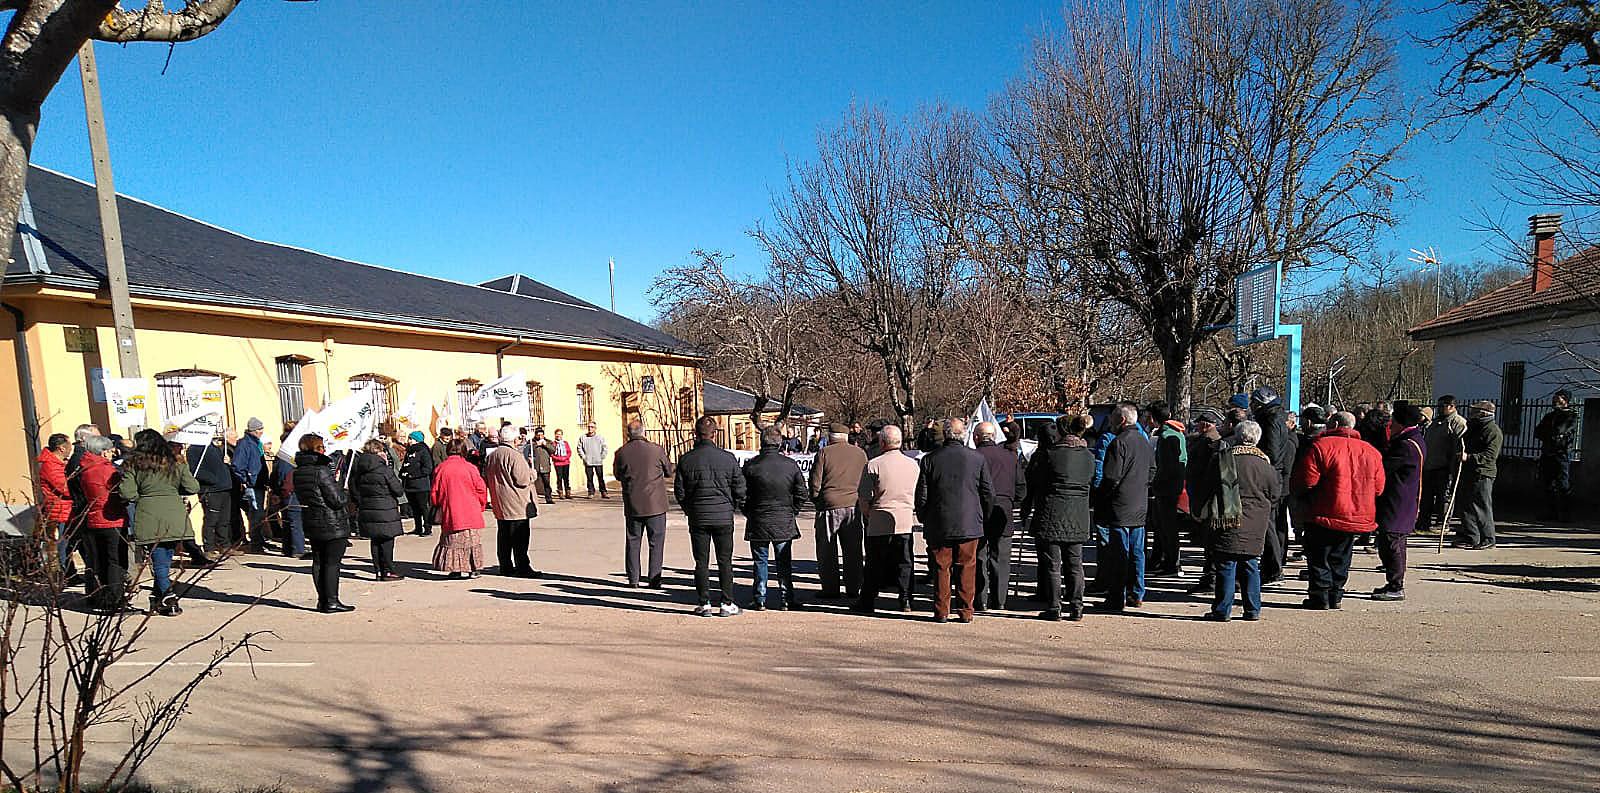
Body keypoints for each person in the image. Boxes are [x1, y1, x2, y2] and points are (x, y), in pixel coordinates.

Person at [1292, 411, 1385, 610]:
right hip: (1354, 512)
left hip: (1323, 510)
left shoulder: (1321, 446)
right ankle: (1335, 594)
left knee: (1319, 555)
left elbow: (1306, 481)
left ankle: (1320, 595)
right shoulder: (1370, 451)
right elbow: (1378, 488)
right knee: (1342, 555)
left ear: (1333, 423)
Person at [1195, 421, 1279, 622]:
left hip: (1227, 516)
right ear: (1257, 439)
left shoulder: (1223, 459)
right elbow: (1275, 494)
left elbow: (1207, 487)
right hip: (1256, 520)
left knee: (1225, 563)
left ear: (1237, 436)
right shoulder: (1265, 464)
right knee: (1250, 563)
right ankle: (1252, 609)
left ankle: (1222, 609)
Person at [915, 418, 993, 623]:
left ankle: (942, 611)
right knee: (967, 566)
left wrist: (924, 517)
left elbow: (922, 495)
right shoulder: (976, 459)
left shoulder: (930, 459)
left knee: (941, 567)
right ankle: (966, 611)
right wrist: (984, 517)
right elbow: (988, 493)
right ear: (964, 434)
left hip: (939, 521)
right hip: (969, 522)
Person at [117, 429, 200, 617]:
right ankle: (157, 598)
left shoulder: (133, 464)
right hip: (174, 513)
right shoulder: (176, 462)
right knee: (164, 558)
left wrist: (144, 496)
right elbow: (192, 487)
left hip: (148, 513)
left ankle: (169, 598)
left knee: (160, 561)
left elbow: (127, 493)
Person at [1022, 420, 1095, 621]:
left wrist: (1027, 509)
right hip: (1078, 514)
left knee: (1053, 564)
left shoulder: (1049, 456)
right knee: (1075, 564)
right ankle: (1077, 605)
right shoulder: (1089, 457)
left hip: (1052, 512)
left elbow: (1036, 483)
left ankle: (1054, 607)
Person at [675, 415, 747, 616]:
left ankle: (704, 602)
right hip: (723, 515)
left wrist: (690, 509)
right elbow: (740, 487)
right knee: (725, 561)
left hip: (698, 516)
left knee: (701, 561)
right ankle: (726, 602)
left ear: (696, 435)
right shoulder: (728, 458)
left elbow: (680, 492)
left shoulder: (686, 459)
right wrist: (732, 505)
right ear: (714, 434)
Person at [854, 424, 920, 615]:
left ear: (882, 442)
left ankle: (868, 600)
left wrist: (868, 514)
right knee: (905, 562)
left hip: (879, 517)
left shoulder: (873, 464)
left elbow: (864, 496)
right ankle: (906, 599)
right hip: (905, 518)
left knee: (874, 562)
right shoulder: (913, 465)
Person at [743, 426, 807, 611]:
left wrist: (749, 511)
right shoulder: (790, 465)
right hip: (782, 519)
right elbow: (802, 493)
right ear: (779, 443)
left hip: (759, 519)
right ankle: (787, 598)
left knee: (760, 561)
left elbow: (741, 493)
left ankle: (760, 598)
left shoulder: (751, 466)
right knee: (783, 561)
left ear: (762, 442)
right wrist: (792, 511)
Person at [809, 422, 868, 601]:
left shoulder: (824, 453)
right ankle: (854, 587)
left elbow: (815, 483)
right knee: (853, 550)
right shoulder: (860, 453)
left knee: (827, 550)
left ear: (830, 437)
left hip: (829, 505)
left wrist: (817, 501)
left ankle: (830, 588)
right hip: (853, 505)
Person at [1373, 402, 1425, 602]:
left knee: (1392, 542)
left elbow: (1384, 467)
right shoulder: (1412, 439)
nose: (1390, 425)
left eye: (1393, 421)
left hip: (1398, 499)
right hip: (1402, 497)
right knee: (1393, 541)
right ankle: (1393, 582)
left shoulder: (1406, 445)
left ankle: (1396, 585)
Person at [973, 421, 1024, 612]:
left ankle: (981, 599)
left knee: (980, 556)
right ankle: (1000, 599)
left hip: (979, 510)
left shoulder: (975, 456)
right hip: (1004, 510)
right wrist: (1013, 502)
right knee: (1001, 558)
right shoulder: (1010, 457)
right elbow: (1021, 487)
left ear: (976, 438)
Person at [613, 420, 670, 587]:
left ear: (628, 433)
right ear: (643, 432)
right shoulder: (656, 450)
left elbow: (617, 475)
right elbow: (668, 471)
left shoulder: (621, 452)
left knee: (633, 541)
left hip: (633, 503)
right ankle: (654, 579)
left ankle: (633, 579)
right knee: (656, 542)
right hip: (656, 504)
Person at [77, 435, 129, 611]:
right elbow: (120, 493)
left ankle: (96, 596)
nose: (112, 453)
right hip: (112, 518)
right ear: (103, 451)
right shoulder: (107, 470)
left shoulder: (85, 468)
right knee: (115, 562)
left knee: (97, 561)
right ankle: (114, 600)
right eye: (110, 450)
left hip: (93, 519)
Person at [1250, 387, 1296, 586]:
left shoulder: (1271, 420)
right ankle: (1273, 566)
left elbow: (1273, 453)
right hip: (1275, 475)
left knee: (1268, 523)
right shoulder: (1275, 418)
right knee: (1273, 523)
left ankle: (1273, 568)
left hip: (1271, 476)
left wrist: (1261, 464)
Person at [349, 439, 407, 582]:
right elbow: (398, 490)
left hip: (367, 508)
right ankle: (388, 570)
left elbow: (353, 488)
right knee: (387, 540)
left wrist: (361, 501)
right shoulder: (384, 469)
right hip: (385, 508)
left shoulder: (359, 469)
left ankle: (379, 571)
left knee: (375, 541)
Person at [431, 438, 489, 578]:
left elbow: (435, 492)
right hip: (471, 510)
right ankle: (473, 568)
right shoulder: (470, 468)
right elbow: (481, 489)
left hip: (451, 511)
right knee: (471, 541)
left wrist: (438, 505)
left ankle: (455, 569)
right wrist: (480, 505)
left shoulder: (441, 468)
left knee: (452, 541)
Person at [485, 426, 538, 578]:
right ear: (515, 439)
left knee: (504, 537)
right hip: (516, 503)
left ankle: (505, 565)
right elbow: (522, 479)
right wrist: (532, 474)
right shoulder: (514, 455)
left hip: (500, 501)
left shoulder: (493, 455)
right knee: (520, 537)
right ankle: (523, 567)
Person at [1184, 408, 1225, 594]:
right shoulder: (1207, 441)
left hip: (1206, 496)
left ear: (1207, 424)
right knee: (1207, 541)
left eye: (1200, 422)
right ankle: (1209, 576)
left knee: (1210, 541)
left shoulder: (1210, 443)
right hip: (1202, 494)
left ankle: (1211, 578)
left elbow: (1203, 472)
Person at [1146, 401, 1188, 577]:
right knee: (1164, 526)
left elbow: (1166, 466)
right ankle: (1164, 560)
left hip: (1167, 488)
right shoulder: (1177, 433)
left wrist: (1156, 483)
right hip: (1174, 485)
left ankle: (1172, 563)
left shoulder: (1166, 436)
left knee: (1167, 527)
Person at [1454, 401, 1503, 550]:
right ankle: (1471, 536)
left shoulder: (1493, 431)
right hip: (1468, 472)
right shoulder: (1473, 429)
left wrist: (1468, 457)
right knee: (1465, 505)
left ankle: (1488, 538)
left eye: (1474, 411)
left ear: (1483, 413)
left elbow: (1490, 456)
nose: (1471, 414)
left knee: (1482, 506)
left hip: (1483, 473)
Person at [1418, 396, 1466, 534]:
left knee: (1444, 497)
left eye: (1442, 406)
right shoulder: (1435, 423)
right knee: (1426, 497)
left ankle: (1442, 522)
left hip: (1444, 467)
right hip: (1430, 465)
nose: (1439, 408)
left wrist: (1453, 466)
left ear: (1451, 406)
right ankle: (1423, 522)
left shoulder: (1458, 422)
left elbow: (1458, 446)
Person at [1534, 390, 1578, 522]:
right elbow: (1538, 432)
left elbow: (1561, 430)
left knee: (1563, 485)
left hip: (1561, 453)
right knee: (1547, 484)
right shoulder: (1549, 416)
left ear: (1565, 400)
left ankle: (1565, 514)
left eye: (1558, 399)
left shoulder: (1570, 416)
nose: (1555, 402)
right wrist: (1551, 435)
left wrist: (1555, 435)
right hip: (1547, 453)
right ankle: (1551, 512)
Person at [187, 435, 234, 554]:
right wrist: (213, 479)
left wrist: (227, 463)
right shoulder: (194, 449)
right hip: (210, 489)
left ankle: (224, 545)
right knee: (211, 520)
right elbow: (195, 470)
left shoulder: (214, 447)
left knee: (224, 519)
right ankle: (209, 547)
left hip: (224, 487)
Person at [34, 433, 72, 569]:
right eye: (69, 444)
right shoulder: (50, 465)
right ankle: (63, 572)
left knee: (67, 543)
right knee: (63, 543)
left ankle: (68, 570)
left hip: (65, 508)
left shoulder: (58, 464)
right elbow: (65, 488)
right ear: (61, 448)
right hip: (60, 510)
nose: (71, 447)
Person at [233, 417, 270, 552]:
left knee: (258, 514)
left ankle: (259, 540)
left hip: (258, 484)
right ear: (254, 430)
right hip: (252, 485)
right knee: (255, 514)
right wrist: (246, 480)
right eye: (260, 429)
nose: (262, 432)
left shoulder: (256, 443)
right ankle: (256, 544)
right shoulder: (245, 444)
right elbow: (237, 465)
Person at [269, 429, 306, 559]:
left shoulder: (281, 457)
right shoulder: (287, 458)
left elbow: (274, 477)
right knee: (294, 521)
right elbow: (282, 477)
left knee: (287, 521)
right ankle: (298, 549)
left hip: (285, 492)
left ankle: (288, 548)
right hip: (290, 493)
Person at [399, 430, 436, 537]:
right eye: (409, 438)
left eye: (411, 439)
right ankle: (418, 527)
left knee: (423, 507)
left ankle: (427, 528)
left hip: (421, 485)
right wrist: (402, 474)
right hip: (410, 486)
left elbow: (427, 468)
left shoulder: (423, 451)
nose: (409, 441)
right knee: (414, 508)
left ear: (417, 440)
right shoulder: (409, 451)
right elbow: (406, 465)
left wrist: (413, 475)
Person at [578, 423, 610, 499]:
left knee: (600, 477)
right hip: (588, 462)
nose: (590, 428)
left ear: (595, 428)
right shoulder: (583, 438)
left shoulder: (600, 438)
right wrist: (584, 457)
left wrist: (601, 457)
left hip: (598, 461)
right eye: (589, 427)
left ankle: (603, 492)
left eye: (592, 427)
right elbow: (579, 448)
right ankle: (591, 492)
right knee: (589, 478)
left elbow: (604, 448)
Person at [528, 427, 556, 505]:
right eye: (538, 435)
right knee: (532, 483)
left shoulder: (548, 441)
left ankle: (549, 498)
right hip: (535, 466)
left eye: (541, 434)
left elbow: (553, 450)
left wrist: (545, 444)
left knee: (546, 483)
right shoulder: (531, 442)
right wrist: (536, 445)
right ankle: (532, 499)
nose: (540, 436)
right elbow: (528, 450)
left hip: (545, 466)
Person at [550, 428, 574, 499]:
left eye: (560, 434)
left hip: (566, 462)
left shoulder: (565, 443)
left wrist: (566, 458)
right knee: (559, 478)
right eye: (557, 434)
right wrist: (559, 459)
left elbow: (569, 452)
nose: (558, 436)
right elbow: (552, 454)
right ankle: (560, 492)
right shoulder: (553, 444)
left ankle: (568, 492)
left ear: (562, 435)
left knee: (566, 478)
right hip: (558, 463)